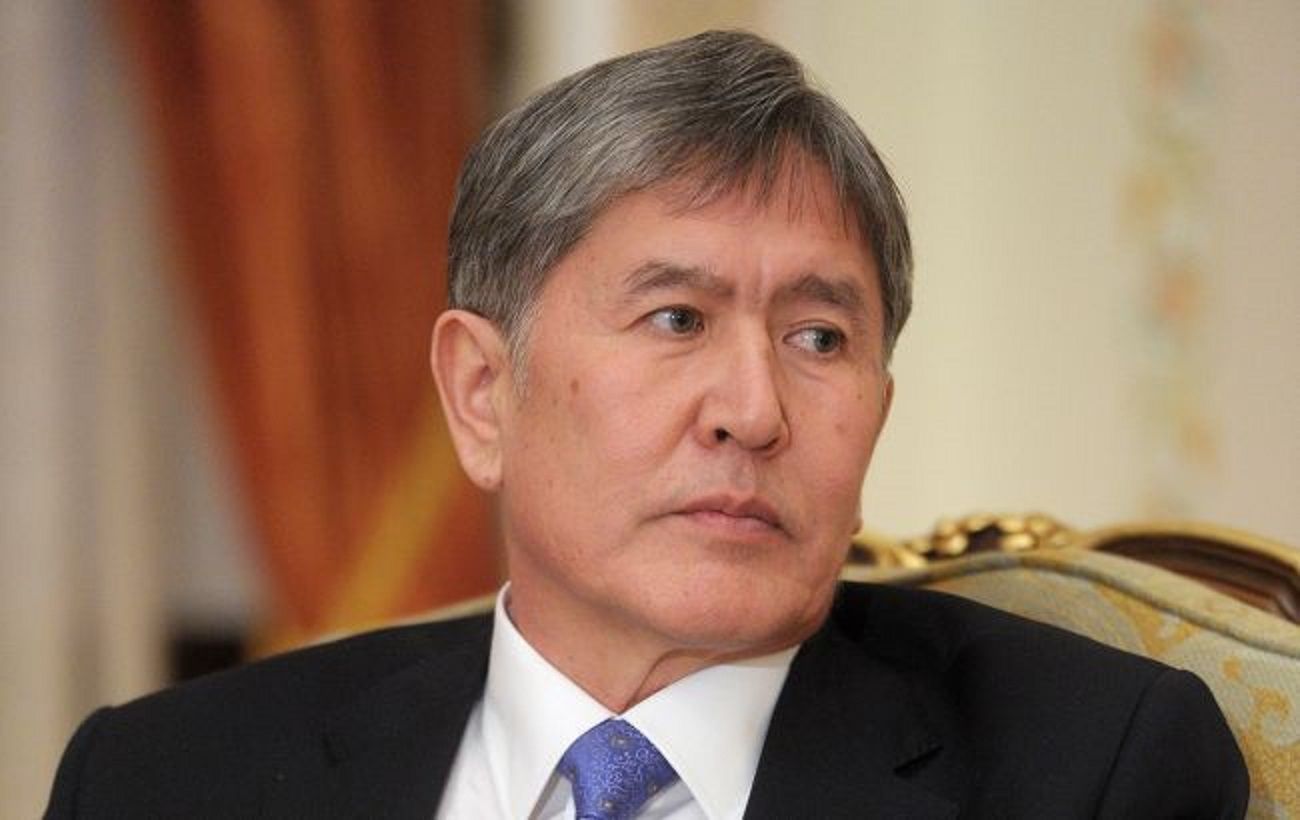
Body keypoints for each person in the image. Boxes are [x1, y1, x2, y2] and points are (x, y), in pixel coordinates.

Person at [46, 30, 1246, 820]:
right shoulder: (163, 782)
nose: (753, 411)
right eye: (676, 318)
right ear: (481, 392)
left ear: (878, 409)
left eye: (819, 337)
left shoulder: (1091, 773)